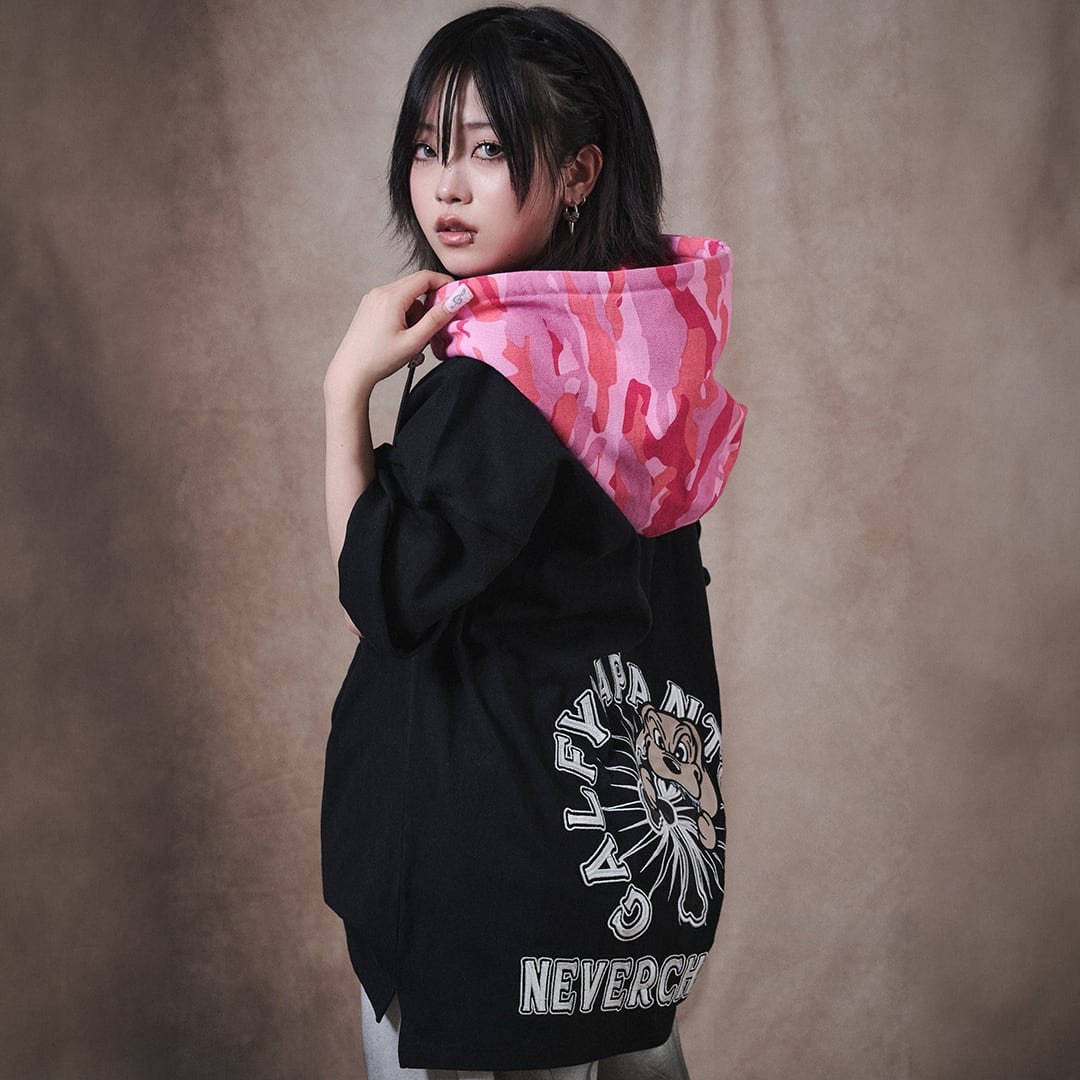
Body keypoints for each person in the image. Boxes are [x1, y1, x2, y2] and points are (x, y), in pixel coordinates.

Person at [321, 7, 746, 1079]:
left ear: (579, 172)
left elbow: (385, 597)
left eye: (488, 149)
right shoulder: (644, 352)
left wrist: (344, 392)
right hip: (610, 882)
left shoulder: (496, 378)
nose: (446, 187)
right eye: (428, 148)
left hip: (480, 872)